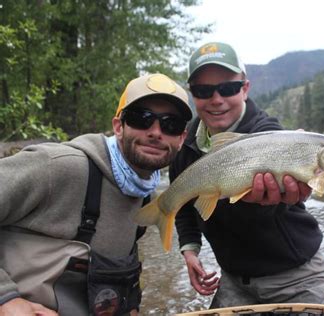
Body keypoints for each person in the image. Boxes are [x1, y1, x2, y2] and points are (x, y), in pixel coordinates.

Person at [0, 73, 192, 316]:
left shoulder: (145, 197)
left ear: (181, 139)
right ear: (118, 127)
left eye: (170, 124)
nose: (155, 132)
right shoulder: (58, 167)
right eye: (141, 119)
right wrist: (6, 299)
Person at [170, 42, 324, 308]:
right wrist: (189, 250)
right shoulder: (185, 144)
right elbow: (184, 205)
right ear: (193, 95)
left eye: (228, 88)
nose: (216, 99)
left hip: (294, 276)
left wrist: (267, 202)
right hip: (234, 280)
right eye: (203, 90)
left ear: (245, 88)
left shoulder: (270, 134)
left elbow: (270, 213)